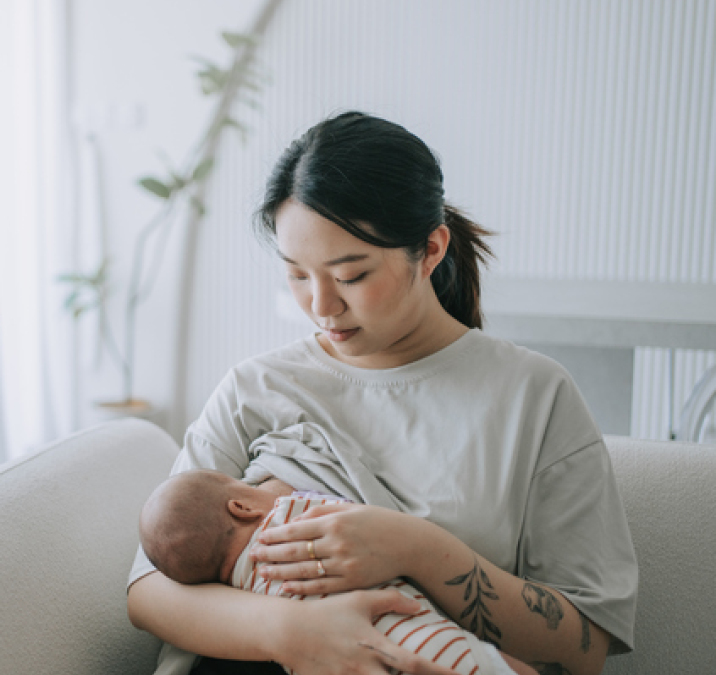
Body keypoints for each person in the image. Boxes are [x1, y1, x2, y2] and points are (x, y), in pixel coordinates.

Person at [126, 111, 638, 675]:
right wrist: (294, 633)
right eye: (297, 274)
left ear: (432, 249)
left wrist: (414, 548)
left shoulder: (534, 396)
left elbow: (586, 644)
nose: (321, 306)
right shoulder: (254, 388)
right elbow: (149, 592)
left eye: (351, 275)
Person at [138, 469, 534, 675]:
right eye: (244, 484)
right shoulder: (289, 515)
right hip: (428, 646)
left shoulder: (239, 596)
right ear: (242, 507)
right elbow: (353, 519)